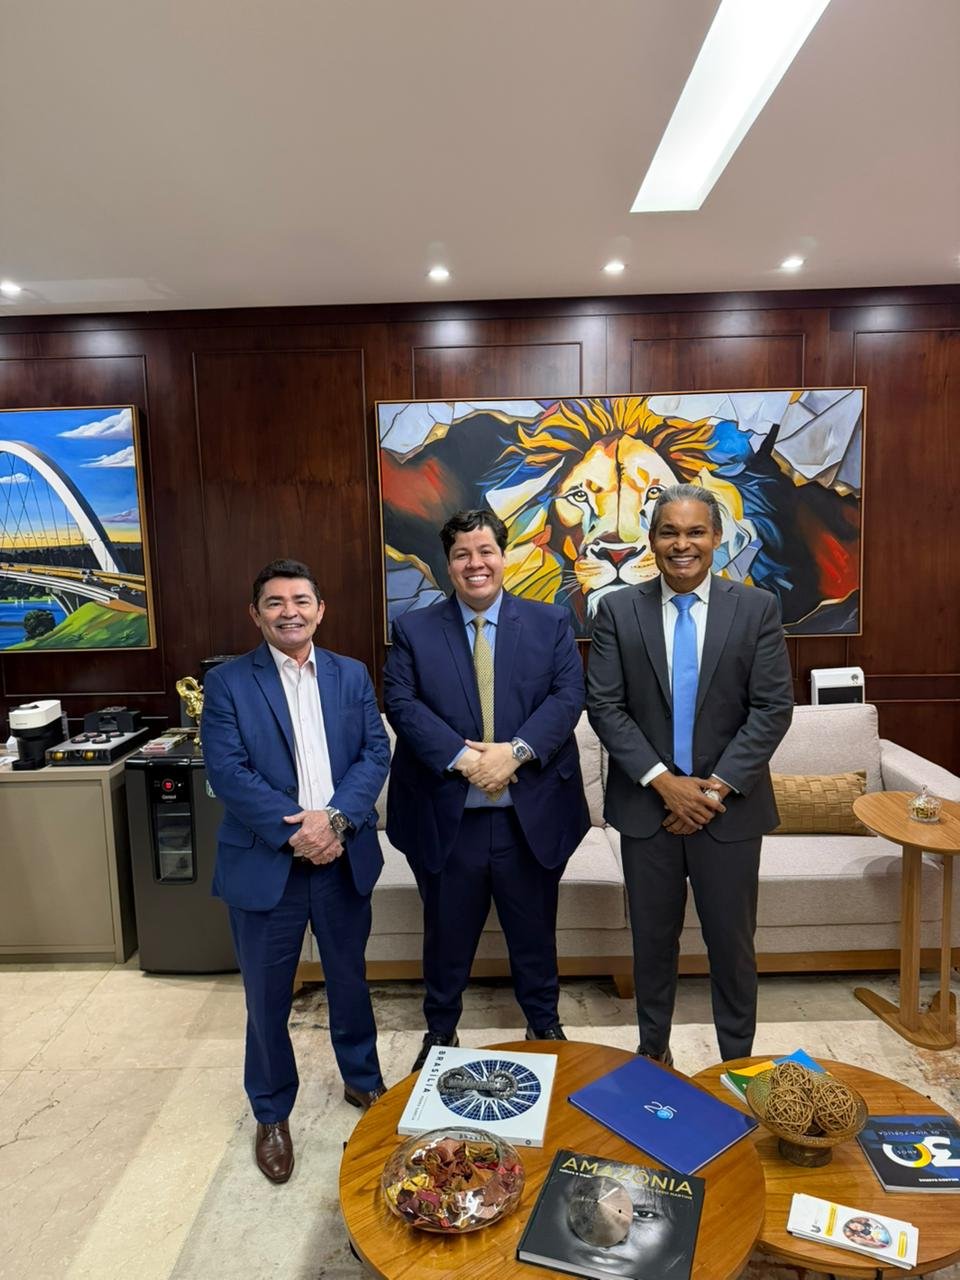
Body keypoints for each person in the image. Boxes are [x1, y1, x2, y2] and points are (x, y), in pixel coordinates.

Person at [586, 483, 793, 1064]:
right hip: (646, 812)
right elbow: (605, 706)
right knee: (652, 946)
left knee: (733, 948)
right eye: (669, 532)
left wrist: (712, 790)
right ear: (652, 541)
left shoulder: (756, 608)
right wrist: (665, 784)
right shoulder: (617, 611)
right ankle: (654, 1056)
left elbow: (772, 708)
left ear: (716, 537)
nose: (683, 544)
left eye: (695, 531)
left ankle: (737, 1065)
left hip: (729, 813)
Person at [201, 558, 390, 1184]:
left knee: (350, 981)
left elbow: (374, 753)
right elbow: (228, 772)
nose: (290, 612)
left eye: (301, 600)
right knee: (266, 997)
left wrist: (334, 822)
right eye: (275, 602)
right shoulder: (228, 683)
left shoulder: (351, 674)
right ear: (256, 614)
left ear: (320, 609)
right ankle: (271, 1111)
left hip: (341, 858)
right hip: (267, 864)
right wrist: (299, 833)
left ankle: (363, 1081)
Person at [384, 509, 589, 1072]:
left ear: (504, 555)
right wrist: (467, 761)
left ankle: (543, 1024)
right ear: (448, 563)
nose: (475, 564)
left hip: (531, 816)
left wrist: (513, 753)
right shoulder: (414, 629)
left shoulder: (550, 622)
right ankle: (440, 1030)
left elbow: (568, 696)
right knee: (445, 935)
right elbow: (401, 703)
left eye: (485, 551)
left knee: (534, 931)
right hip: (448, 815)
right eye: (461, 554)